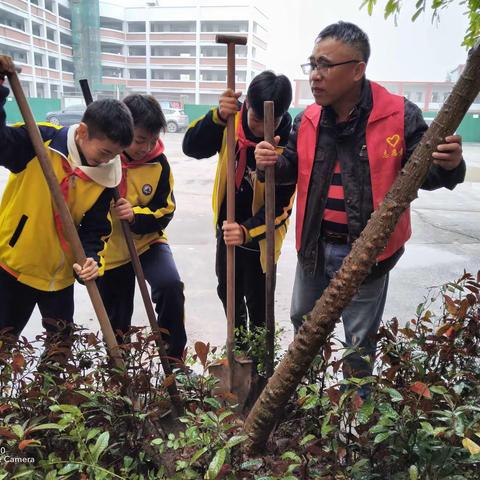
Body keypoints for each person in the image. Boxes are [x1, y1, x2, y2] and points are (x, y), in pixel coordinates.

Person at [254, 22, 466, 384]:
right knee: (302, 321)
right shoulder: (308, 119)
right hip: (314, 248)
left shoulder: (398, 115)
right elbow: (292, 166)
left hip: (368, 254)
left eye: (324, 65)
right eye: (312, 65)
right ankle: (309, 397)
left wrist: (450, 165)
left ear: (357, 70)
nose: (315, 76)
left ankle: (354, 422)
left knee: (358, 343)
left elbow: (423, 174)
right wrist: (270, 162)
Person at [0, 54, 134, 339]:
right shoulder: (39, 142)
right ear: (83, 132)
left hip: (59, 278)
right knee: (3, 347)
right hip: (12, 268)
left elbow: (95, 229)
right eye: (105, 152)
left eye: (116, 155)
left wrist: (91, 260)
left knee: (60, 356)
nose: (108, 161)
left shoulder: (106, 174)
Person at [182, 71, 295, 347]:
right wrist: (218, 117)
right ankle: (237, 347)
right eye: (255, 119)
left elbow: (281, 209)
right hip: (226, 230)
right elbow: (191, 147)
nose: (259, 128)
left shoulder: (287, 145)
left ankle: (258, 359)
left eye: (270, 120)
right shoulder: (231, 123)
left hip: (261, 242)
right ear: (247, 107)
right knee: (228, 293)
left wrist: (247, 232)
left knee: (259, 304)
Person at [98, 94, 186, 361]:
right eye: (139, 140)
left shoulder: (159, 164)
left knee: (171, 286)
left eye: (152, 139)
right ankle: (119, 371)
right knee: (117, 317)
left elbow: (165, 210)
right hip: (110, 250)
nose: (146, 147)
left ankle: (174, 359)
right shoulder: (101, 159)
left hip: (148, 242)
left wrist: (135, 216)